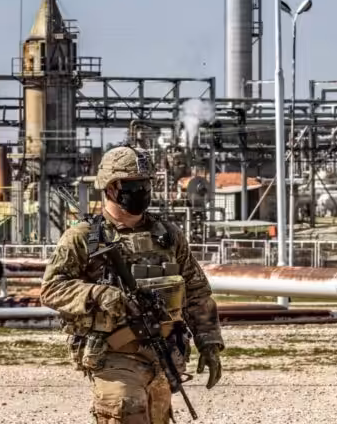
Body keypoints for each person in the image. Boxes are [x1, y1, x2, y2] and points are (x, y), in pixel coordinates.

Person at [40, 145, 224, 424]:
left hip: (161, 352)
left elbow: (196, 290)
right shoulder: (83, 237)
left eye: (146, 184)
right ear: (112, 188)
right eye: (134, 185)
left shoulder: (167, 235)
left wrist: (208, 342)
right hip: (113, 354)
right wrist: (98, 294)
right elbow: (52, 288)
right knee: (127, 411)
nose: (143, 191)